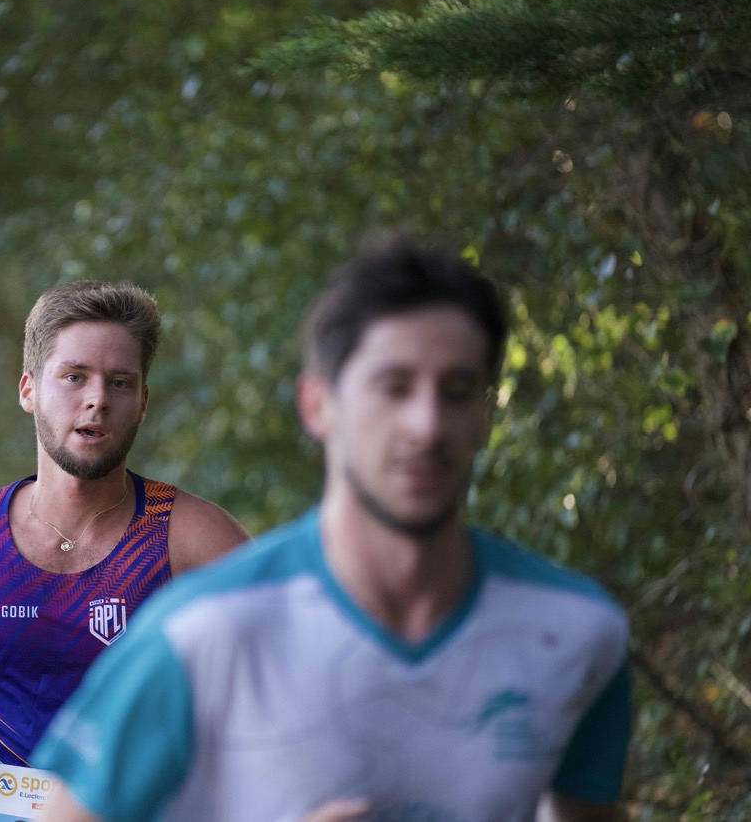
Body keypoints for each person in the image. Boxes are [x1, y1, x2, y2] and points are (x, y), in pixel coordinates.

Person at [33, 238, 631, 822]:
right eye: (393, 387)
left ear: (485, 414)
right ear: (318, 405)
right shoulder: (198, 634)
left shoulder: (576, 630)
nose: (426, 424)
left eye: (456, 391)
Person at [0, 280, 250, 821]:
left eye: (120, 382)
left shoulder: (196, 540)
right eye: (74, 376)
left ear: (142, 401)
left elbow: (284, 678)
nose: (97, 399)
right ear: (28, 390)